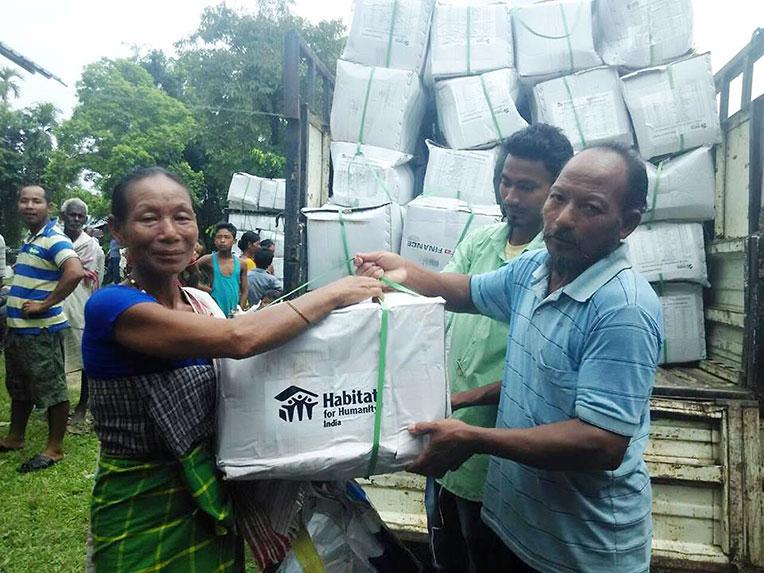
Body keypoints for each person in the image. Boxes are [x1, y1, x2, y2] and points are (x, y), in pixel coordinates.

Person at [356, 144, 663, 573]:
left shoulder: (622, 309)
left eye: (590, 207)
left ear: (628, 223)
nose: (564, 219)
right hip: (516, 530)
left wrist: (474, 439)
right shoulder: (535, 269)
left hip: (581, 551)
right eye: (558, 198)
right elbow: (463, 291)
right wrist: (398, 271)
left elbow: (602, 443)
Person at [84, 166, 382, 571]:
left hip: (212, 498)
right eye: (149, 217)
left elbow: (250, 366)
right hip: (143, 499)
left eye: (181, 216)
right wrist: (334, 293)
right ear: (118, 230)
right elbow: (239, 340)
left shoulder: (198, 303)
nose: (169, 231)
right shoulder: (111, 307)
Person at [427, 125, 573, 573]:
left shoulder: (555, 264)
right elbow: (438, 296)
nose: (510, 195)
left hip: (502, 440)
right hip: (449, 426)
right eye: (505, 182)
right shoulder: (480, 242)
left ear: (557, 192)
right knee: (444, 545)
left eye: (526, 186)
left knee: (488, 552)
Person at [0, 185, 84, 472]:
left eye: (36, 201)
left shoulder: (53, 238)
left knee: (52, 389)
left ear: (49, 207)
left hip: (41, 331)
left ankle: (55, 448)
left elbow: (74, 272)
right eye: (24, 200)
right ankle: (15, 437)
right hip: (19, 330)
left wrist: (44, 304)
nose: (29, 206)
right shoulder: (31, 238)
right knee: (20, 387)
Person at [59, 198, 105, 425]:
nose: (76, 219)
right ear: (62, 216)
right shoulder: (53, 241)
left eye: (80, 216)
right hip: (54, 305)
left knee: (85, 357)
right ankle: (57, 404)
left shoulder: (93, 247)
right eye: (72, 215)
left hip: (80, 306)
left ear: (85, 219)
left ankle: (82, 404)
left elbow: (98, 279)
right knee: (56, 357)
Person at [197, 222, 248, 316]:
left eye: (227, 237)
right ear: (214, 240)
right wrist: (204, 289)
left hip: (233, 312)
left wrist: (240, 309)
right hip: (213, 311)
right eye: (219, 237)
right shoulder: (208, 260)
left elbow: (244, 290)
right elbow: (188, 271)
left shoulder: (241, 264)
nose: (222, 240)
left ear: (234, 241)